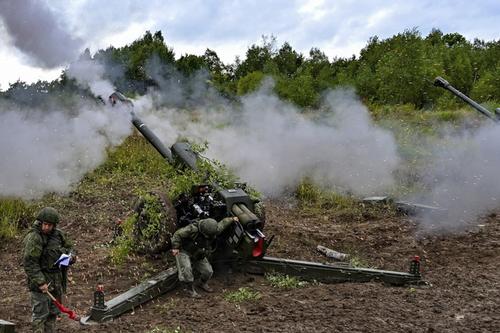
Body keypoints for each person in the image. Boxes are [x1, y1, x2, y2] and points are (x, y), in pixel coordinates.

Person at [22, 207, 75, 333]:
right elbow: (30, 263)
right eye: (45, 224)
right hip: (41, 285)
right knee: (40, 316)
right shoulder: (34, 238)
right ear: (40, 223)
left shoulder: (59, 235)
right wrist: (41, 282)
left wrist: (71, 257)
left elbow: (70, 247)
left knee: (52, 314)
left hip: (56, 282)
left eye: (50, 225)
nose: (47, 227)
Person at [171, 216, 238, 297]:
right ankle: (188, 290)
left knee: (208, 271)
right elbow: (177, 234)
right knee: (186, 270)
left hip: (198, 252)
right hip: (184, 251)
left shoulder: (214, 230)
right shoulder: (192, 229)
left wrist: (231, 219)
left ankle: (201, 283)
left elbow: (222, 224)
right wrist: (175, 247)